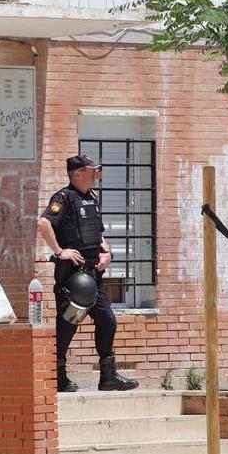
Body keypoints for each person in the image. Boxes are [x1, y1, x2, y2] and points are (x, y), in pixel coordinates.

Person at [37, 154, 138, 393]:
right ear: (79, 173)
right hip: (73, 276)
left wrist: (107, 253)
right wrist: (60, 251)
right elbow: (43, 223)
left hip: (94, 274)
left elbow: (99, 233)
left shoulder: (92, 197)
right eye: (93, 171)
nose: (97, 175)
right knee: (68, 323)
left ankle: (108, 376)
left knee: (107, 320)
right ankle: (58, 376)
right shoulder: (64, 197)